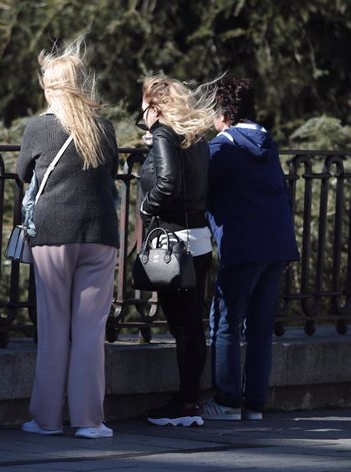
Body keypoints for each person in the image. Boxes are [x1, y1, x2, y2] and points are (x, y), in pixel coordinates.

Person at [16, 37, 119, 439]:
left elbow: (25, 173)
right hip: (100, 233)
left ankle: (45, 419)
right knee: (90, 332)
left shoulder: (39, 127)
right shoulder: (104, 128)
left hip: (53, 235)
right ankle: (90, 421)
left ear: (50, 87)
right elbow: (107, 172)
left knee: (54, 330)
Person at [200, 77, 300, 421]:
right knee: (260, 326)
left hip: (242, 245)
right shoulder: (266, 144)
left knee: (226, 321)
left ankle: (227, 401)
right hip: (277, 244)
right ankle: (254, 405)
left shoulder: (222, 147)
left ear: (223, 113)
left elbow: (198, 186)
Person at [136, 75, 217, 427]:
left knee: (183, 327)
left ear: (154, 106)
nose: (142, 114)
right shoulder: (195, 137)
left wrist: (146, 206)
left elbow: (168, 183)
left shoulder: (165, 133)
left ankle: (185, 404)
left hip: (175, 240)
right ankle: (189, 399)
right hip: (198, 238)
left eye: (143, 108)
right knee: (192, 324)